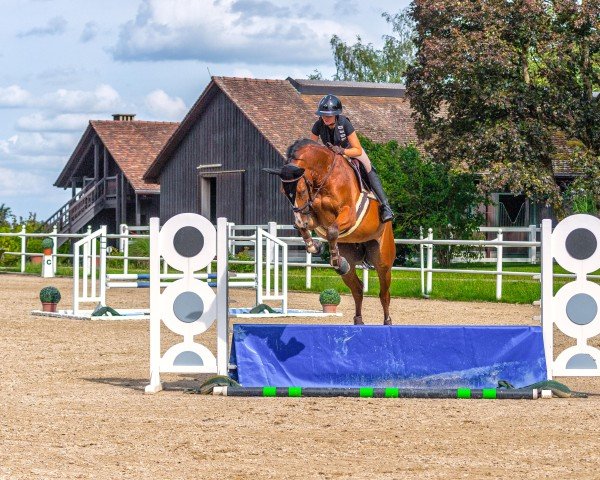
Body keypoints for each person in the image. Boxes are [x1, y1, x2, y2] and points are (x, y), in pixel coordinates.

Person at [310, 94, 394, 223]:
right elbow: (312, 148)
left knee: (368, 167)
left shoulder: (344, 123)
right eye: (323, 115)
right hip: (331, 155)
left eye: (328, 115)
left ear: (336, 114)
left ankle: (385, 206)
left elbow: (358, 149)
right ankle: (309, 208)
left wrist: (343, 151)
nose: (325, 118)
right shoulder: (318, 125)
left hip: (350, 151)